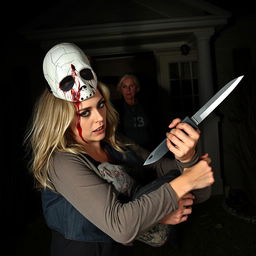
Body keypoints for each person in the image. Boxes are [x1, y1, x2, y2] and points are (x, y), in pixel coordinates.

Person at [24, 42, 214, 256]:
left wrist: (187, 157)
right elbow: (121, 227)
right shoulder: (61, 162)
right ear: (62, 119)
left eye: (101, 105)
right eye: (84, 113)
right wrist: (177, 191)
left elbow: (201, 191)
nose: (99, 119)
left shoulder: (117, 143)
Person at [113, 74, 154, 151]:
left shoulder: (147, 105)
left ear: (136, 88)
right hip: (129, 151)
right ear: (120, 90)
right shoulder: (116, 108)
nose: (128, 90)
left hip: (148, 148)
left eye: (131, 86)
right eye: (124, 87)